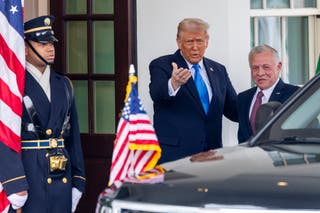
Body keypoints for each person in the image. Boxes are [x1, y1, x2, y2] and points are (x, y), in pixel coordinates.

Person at [19, 15, 85, 212]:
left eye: (51, 43)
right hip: (30, 175)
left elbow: (73, 137)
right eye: (42, 44)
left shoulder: (63, 84)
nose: (50, 48)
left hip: (61, 174)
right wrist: (13, 183)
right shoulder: (15, 85)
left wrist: (78, 180)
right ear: (25, 49)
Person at [149, 18, 238, 163]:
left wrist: (259, 99)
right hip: (175, 155)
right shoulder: (162, 65)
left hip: (211, 153)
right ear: (179, 42)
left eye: (200, 41)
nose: (195, 47)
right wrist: (173, 84)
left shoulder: (218, 70)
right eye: (189, 41)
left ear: (207, 42)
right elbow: (157, 94)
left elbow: (233, 109)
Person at [237, 44, 300, 143]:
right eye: (255, 68)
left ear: (278, 67)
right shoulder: (243, 98)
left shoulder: (295, 95)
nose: (260, 73)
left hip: (280, 157)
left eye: (266, 67)